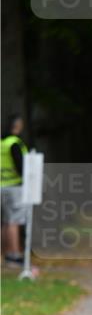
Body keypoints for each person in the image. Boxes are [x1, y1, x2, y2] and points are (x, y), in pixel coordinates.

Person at [1, 114, 28, 266]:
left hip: (1, 185)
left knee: (5, 222)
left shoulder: (2, 143)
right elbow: (21, 166)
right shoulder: (14, 143)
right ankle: (14, 254)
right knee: (14, 221)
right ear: (17, 126)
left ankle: (4, 254)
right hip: (14, 186)